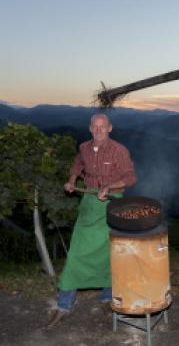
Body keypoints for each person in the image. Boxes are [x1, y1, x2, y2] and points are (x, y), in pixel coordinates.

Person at [47, 113, 137, 328]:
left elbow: (131, 177)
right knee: (77, 254)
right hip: (88, 205)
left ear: (110, 128)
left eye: (102, 127)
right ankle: (64, 304)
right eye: (95, 127)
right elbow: (77, 165)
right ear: (90, 129)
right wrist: (71, 181)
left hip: (111, 206)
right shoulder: (84, 148)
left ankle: (107, 297)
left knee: (110, 254)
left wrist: (110, 187)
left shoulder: (119, 150)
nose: (98, 131)